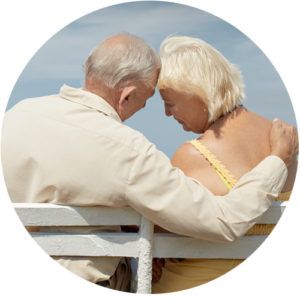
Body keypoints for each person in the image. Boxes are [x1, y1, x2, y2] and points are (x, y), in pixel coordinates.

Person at [0, 33, 298, 293]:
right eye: (149, 99)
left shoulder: (16, 115)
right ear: (127, 95)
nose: (156, 111)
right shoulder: (126, 149)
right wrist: (277, 161)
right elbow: (222, 221)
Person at [151, 36, 298, 294]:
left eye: (170, 103)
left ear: (199, 94)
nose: (166, 113)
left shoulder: (193, 155)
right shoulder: (283, 142)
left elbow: (156, 233)